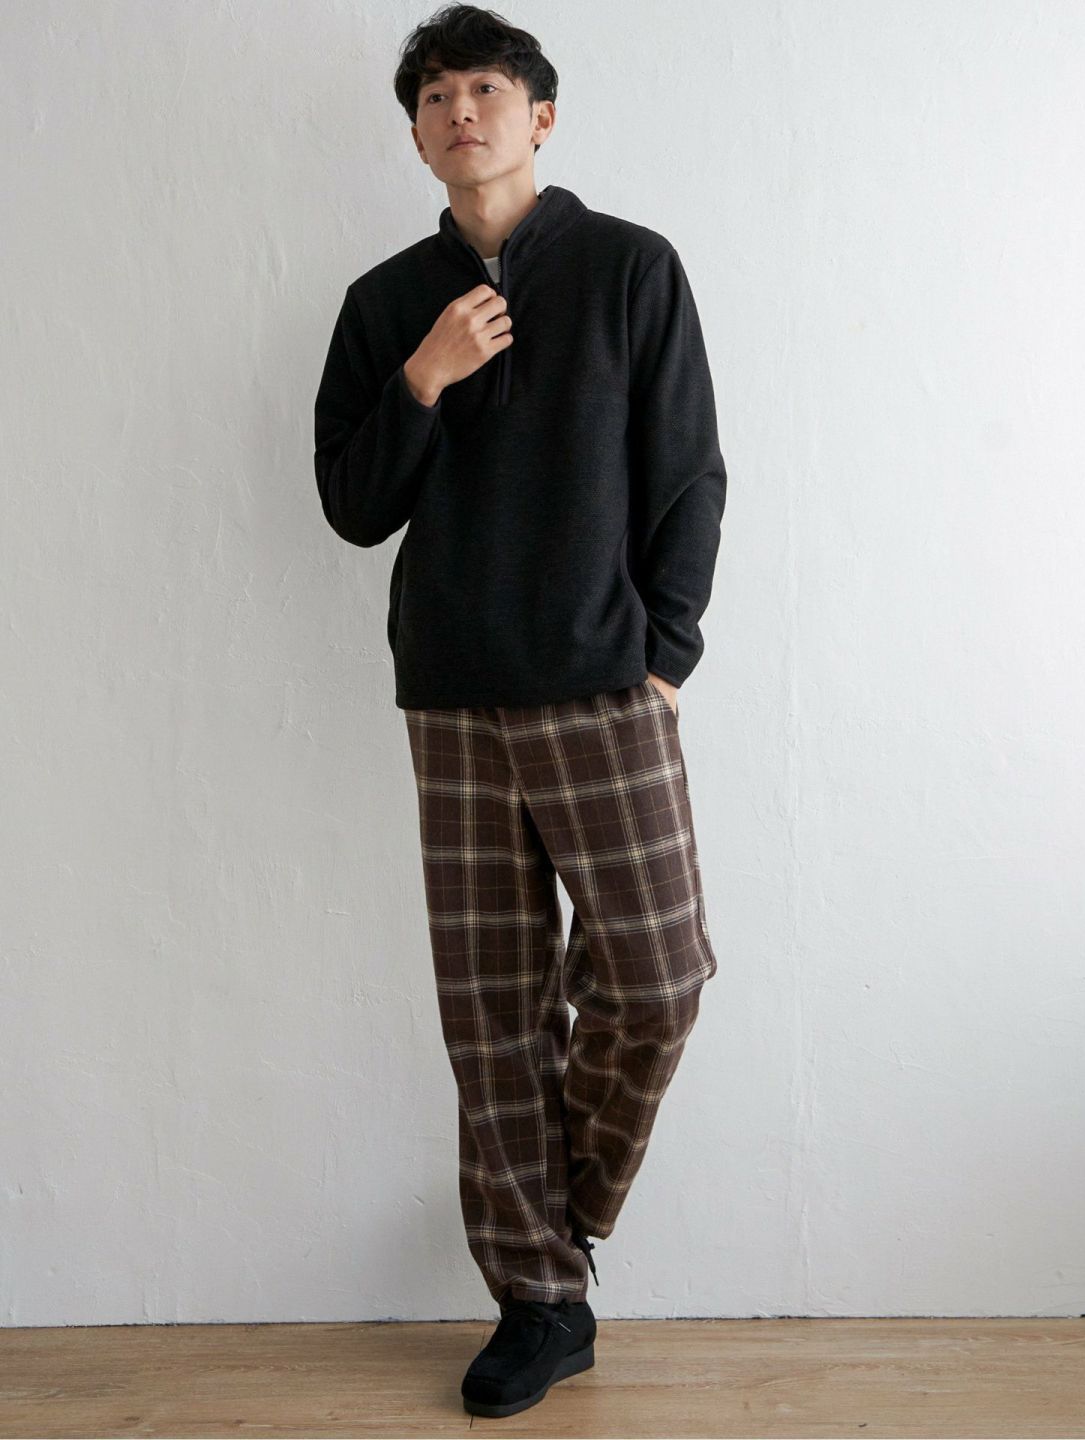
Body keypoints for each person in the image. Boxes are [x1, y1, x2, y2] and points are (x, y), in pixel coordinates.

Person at [312, 3, 726, 1418]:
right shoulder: (386, 305)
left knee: (658, 978)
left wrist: (664, 655)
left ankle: (561, 1214)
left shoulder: (629, 268)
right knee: (492, 1011)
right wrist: (425, 377)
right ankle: (540, 1301)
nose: (461, 111)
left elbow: (689, 472)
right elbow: (352, 504)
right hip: (453, 694)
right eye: (435, 96)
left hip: (605, 685)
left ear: (539, 116)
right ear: (417, 134)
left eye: (485, 88)